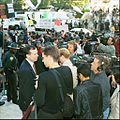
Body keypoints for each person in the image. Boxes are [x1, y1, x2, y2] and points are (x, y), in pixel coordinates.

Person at [35, 45, 73, 119]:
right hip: (60, 112)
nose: (42, 60)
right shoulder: (67, 70)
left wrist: (37, 88)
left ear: (49, 57)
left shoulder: (44, 76)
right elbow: (69, 90)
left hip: (47, 114)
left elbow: (40, 102)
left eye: (43, 58)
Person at [18, 45, 38, 116]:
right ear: (27, 55)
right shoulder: (26, 70)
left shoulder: (31, 64)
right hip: (27, 104)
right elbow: (25, 89)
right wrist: (30, 104)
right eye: (34, 54)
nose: (37, 55)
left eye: (37, 53)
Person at [90, 55, 111, 119]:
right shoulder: (93, 73)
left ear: (99, 67)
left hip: (100, 112)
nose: (91, 64)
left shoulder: (101, 82)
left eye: (94, 63)